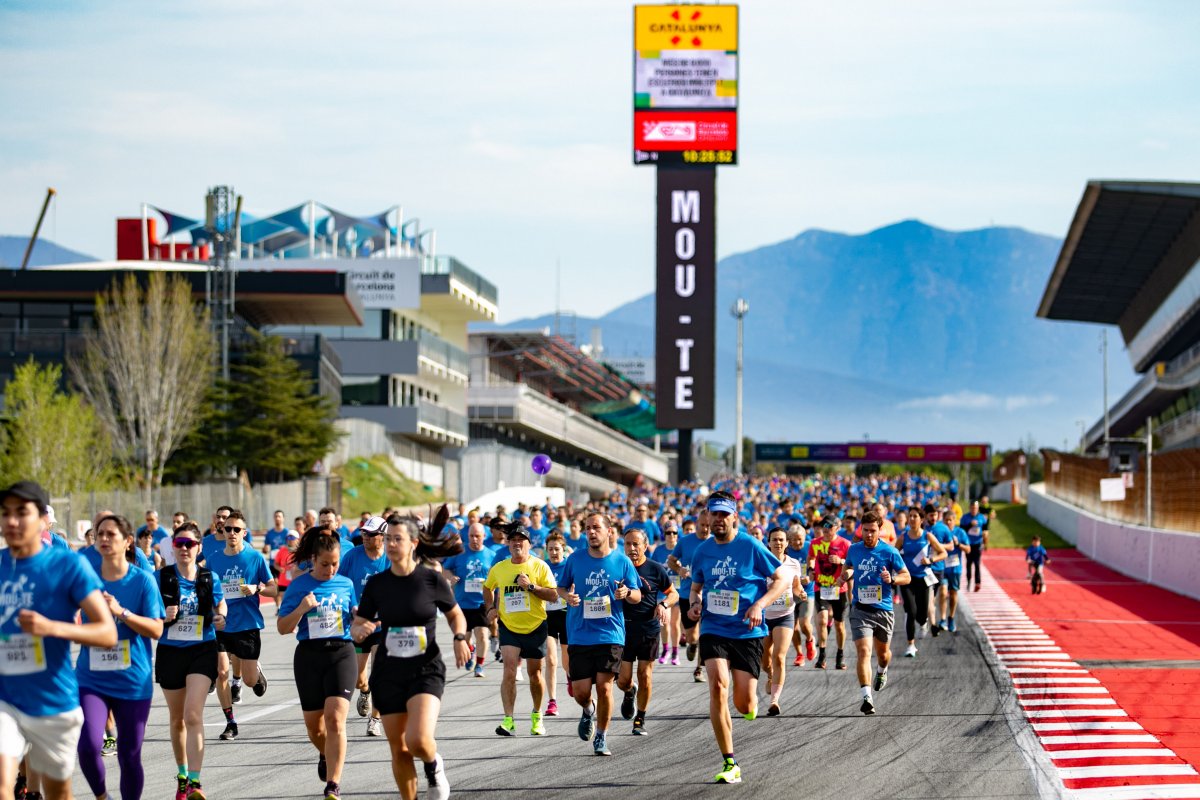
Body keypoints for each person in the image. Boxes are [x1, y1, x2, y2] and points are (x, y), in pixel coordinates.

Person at [0, 481, 117, 800]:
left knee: (57, 793)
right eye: (5, 513)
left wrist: (52, 628)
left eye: (21, 513)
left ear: (42, 519)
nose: (11, 521)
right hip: (5, 698)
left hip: (52, 700)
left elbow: (107, 633)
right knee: (2, 784)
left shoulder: (67, 565)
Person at [350, 511, 469, 800]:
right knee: (399, 749)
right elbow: (357, 626)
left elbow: (456, 615)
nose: (390, 544)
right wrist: (359, 630)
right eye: (388, 538)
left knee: (417, 740)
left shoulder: (431, 580)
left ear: (413, 542)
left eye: (397, 539)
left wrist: (459, 637)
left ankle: (433, 764)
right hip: (388, 672)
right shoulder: (377, 584)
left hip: (425, 669)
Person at [687, 491, 787, 783]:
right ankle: (730, 763)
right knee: (718, 685)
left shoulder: (750, 545)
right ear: (708, 516)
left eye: (723, 514)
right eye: (713, 514)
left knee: (744, 704)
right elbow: (696, 587)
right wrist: (695, 604)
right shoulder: (702, 551)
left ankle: (750, 703)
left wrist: (759, 604)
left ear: (734, 516)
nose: (718, 519)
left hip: (747, 630)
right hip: (713, 627)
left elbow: (781, 579)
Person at [75, 514, 165, 800]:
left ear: (127, 542)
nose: (103, 539)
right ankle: (102, 797)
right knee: (88, 746)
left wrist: (121, 612)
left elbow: (156, 629)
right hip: (92, 677)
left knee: (129, 755)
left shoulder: (143, 581)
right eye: (99, 533)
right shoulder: (85, 579)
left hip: (132, 681)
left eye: (110, 534)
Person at [278, 526, 358, 800]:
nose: (331, 569)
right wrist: (301, 609)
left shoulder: (346, 584)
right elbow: (282, 627)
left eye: (335, 563)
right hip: (309, 656)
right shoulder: (300, 586)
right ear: (313, 559)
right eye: (325, 564)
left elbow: (356, 616)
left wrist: (360, 616)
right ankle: (325, 752)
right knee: (315, 727)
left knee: (336, 720)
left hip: (342, 653)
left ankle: (333, 785)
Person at [557, 512, 641, 756]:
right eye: (587, 528)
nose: (591, 532)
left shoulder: (622, 561)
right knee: (581, 693)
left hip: (610, 633)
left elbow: (637, 595)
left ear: (608, 532)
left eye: (596, 528)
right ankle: (588, 710)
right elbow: (561, 587)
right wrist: (567, 596)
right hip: (580, 634)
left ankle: (602, 737)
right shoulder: (575, 560)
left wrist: (626, 593)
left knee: (605, 687)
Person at [155, 521, 228, 800]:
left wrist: (222, 615)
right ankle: (183, 775)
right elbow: (149, 611)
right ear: (173, 548)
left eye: (190, 544)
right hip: (170, 650)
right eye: (179, 544)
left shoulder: (210, 577)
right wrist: (163, 615)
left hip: (202, 649)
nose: (184, 548)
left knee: (192, 714)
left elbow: (220, 603)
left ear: (199, 547)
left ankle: (196, 782)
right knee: (177, 720)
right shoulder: (160, 577)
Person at [482, 522, 558, 737]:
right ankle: (509, 720)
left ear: (528, 543)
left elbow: (553, 595)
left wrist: (531, 587)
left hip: (535, 627)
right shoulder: (500, 568)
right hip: (509, 627)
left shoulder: (539, 566)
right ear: (508, 543)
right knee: (509, 672)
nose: (516, 543)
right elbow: (488, 587)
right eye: (513, 540)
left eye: (521, 540)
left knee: (535, 675)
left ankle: (537, 715)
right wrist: (490, 608)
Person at [206, 510, 275, 741]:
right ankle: (230, 723)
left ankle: (256, 674)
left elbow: (274, 588)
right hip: (221, 624)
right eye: (228, 529)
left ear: (244, 533)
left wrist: (258, 589)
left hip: (247, 624)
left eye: (237, 529)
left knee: (247, 680)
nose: (232, 533)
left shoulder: (254, 558)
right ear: (222, 530)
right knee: (221, 672)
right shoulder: (214, 559)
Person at [840, 511, 910, 716]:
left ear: (880, 531)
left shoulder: (889, 552)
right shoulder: (854, 549)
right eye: (865, 531)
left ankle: (882, 670)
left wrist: (893, 579)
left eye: (872, 531)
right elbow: (850, 567)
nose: (868, 535)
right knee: (863, 652)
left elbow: (906, 576)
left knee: (883, 654)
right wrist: (846, 575)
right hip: (860, 609)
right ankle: (866, 697)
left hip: (883, 610)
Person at [616, 527, 675, 735]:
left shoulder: (655, 568)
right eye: (627, 544)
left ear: (645, 546)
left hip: (648, 628)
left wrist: (664, 605)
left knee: (645, 674)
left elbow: (673, 594)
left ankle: (640, 718)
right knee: (622, 681)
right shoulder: (617, 567)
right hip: (622, 629)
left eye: (636, 544)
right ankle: (630, 692)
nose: (631, 548)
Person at [338, 515, 391, 736]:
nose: (366, 537)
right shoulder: (352, 556)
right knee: (360, 678)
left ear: (383, 536)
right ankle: (365, 691)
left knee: (378, 672)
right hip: (358, 625)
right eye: (364, 533)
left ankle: (375, 719)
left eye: (371, 534)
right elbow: (339, 584)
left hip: (382, 626)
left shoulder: (390, 558)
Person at [441, 522, 497, 681]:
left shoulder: (491, 555)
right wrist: (450, 577)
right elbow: (444, 569)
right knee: (465, 637)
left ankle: (479, 665)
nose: (474, 539)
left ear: (484, 536)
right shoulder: (459, 552)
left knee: (482, 634)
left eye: (477, 536)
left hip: (481, 603)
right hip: (462, 603)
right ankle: (470, 649)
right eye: (471, 536)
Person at [762, 526, 804, 716]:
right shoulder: (761, 562)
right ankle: (770, 676)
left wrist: (800, 593)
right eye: (774, 539)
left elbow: (796, 586)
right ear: (768, 542)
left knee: (779, 656)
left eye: (781, 540)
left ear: (787, 543)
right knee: (764, 661)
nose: (778, 543)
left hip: (785, 615)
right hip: (762, 617)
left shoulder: (794, 564)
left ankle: (774, 701)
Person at [667, 510, 711, 682]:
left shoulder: (716, 542)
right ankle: (692, 644)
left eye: (708, 526)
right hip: (687, 593)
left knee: (704, 633)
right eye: (702, 525)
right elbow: (671, 560)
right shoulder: (685, 541)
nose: (706, 529)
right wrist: (679, 570)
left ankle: (699, 668)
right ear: (697, 524)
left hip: (709, 594)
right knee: (693, 635)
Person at [898, 512, 946, 658]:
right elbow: (893, 553)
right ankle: (910, 645)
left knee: (922, 613)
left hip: (923, 579)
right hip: (907, 579)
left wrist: (931, 559)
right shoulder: (903, 536)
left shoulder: (927, 536)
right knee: (911, 612)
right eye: (910, 516)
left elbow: (943, 553)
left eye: (915, 516)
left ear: (921, 519)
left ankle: (924, 622)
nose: (911, 519)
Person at [809, 515, 850, 670]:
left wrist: (841, 561)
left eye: (830, 527)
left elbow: (851, 564)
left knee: (839, 625)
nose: (826, 530)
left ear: (837, 528)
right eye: (824, 527)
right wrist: (811, 569)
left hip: (838, 589)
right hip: (821, 587)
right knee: (821, 620)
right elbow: (811, 558)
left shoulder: (845, 544)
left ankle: (840, 655)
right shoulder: (815, 543)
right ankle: (822, 655)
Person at [541, 533, 571, 716]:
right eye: (550, 549)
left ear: (564, 550)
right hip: (547, 616)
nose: (553, 552)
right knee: (551, 660)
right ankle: (552, 702)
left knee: (567, 661)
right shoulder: (541, 567)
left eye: (557, 549)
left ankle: (569, 677)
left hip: (567, 616)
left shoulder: (570, 565)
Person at [650, 526, 681, 665]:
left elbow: (687, 567)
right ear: (664, 535)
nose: (671, 535)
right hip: (662, 592)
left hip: (677, 590)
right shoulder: (659, 550)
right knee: (664, 623)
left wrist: (680, 567)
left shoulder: (680, 549)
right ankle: (665, 650)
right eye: (668, 532)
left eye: (674, 532)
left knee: (674, 623)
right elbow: (653, 569)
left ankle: (675, 653)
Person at [785, 523, 816, 667]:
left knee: (804, 623)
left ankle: (810, 640)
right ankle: (799, 654)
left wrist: (810, 576)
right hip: (790, 592)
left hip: (806, 591)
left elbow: (814, 566)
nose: (797, 543)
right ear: (789, 540)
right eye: (794, 540)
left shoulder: (810, 547)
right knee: (793, 626)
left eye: (800, 539)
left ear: (805, 537)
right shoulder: (786, 551)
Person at [936, 510, 971, 633]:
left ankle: (951, 617)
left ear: (954, 521)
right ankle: (943, 618)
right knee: (943, 592)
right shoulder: (940, 532)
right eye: (946, 520)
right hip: (943, 568)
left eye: (951, 520)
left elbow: (968, 550)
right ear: (943, 521)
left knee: (953, 594)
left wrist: (958, 544)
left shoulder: (960, 532)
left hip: (955, 569)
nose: (949, 523)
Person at [963, 500, 989, 592]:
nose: (974, 509)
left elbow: (986, 530)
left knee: (977, 564)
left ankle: (978, 583)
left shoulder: (982, 517)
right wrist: (970, 524)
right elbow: (962, 530)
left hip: (978, 544)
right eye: (972, 508)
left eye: (976, 508)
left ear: (978, 508)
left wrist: (985, 542)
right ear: (970, 508)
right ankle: (969, 581)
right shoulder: (965, 517)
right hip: (968, 544)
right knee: (969, 563)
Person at [273, 531, 300, 609]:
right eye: (288, 537)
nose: (290, 540)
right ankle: (281, 609)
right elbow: (275, 564)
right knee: (282, 596)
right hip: (284, 579)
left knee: (295, 598)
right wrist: (279, 568)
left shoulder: (300, 551)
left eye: (292, 538)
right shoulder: (282, 550)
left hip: (296, 579)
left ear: (297, 539)